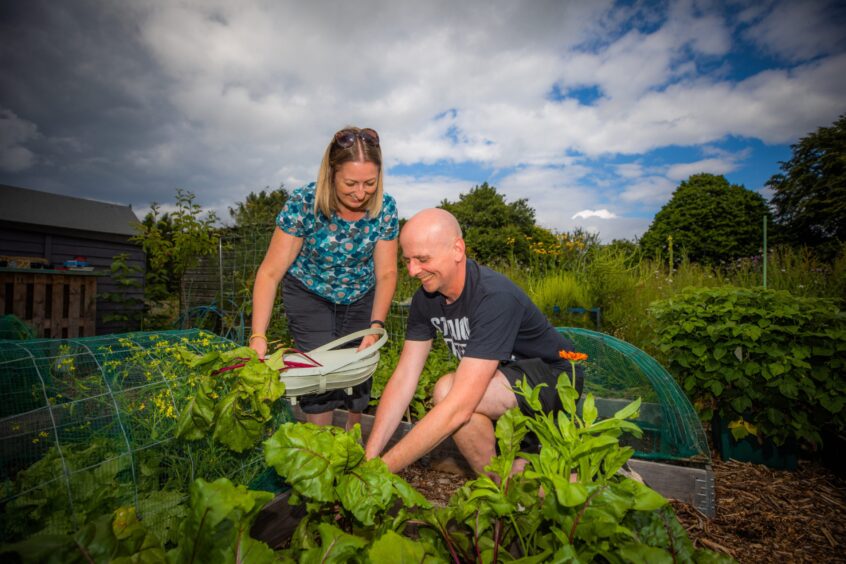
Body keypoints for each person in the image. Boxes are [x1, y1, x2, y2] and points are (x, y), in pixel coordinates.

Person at [364, 208, 582, 474]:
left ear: (457, 249)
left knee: (450, 394)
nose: (412, 271)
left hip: (553, 377)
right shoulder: (426, 299)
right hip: (500, 383)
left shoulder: (494, 296)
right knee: (460, 403)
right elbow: (404, 377)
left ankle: (535, 472)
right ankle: (498, 487)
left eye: (422, 259)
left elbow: (460, 406)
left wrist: (381, 471)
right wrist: (369, 457)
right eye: (407, 260)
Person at [250, 126, 398, 430]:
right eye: (351, 183)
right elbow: (270, 272)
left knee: (358, 372)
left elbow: (386, 272)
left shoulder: (385, 208)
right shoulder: (305, 203)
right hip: (309, 293)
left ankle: (351, 444)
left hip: (360, 295)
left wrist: (375, 325)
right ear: (331, 174)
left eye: (370, 183)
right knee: (318, 373)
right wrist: (258, 336)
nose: (360, 192)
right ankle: (320, 447)